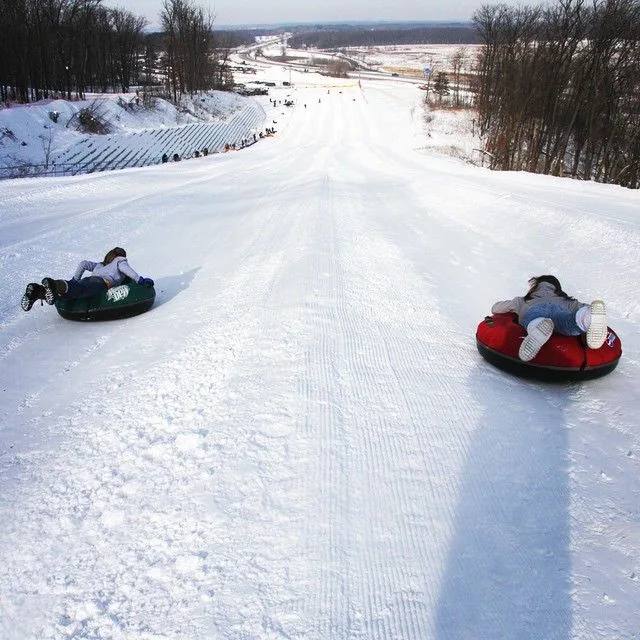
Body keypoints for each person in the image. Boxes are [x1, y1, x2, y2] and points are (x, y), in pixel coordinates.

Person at [491, 275, 607, 361]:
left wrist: (513, 308)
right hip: (560, 309)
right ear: (557, 288)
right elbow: (586, 306)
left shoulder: (521, 301)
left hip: (533, 309)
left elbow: (496, 308)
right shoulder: (567, 301)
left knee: (533, 320)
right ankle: (586, 319)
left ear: (535, 287)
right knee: (570, 321)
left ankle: (539, 327)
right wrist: (588, 310)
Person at [21, 247, 154, 311]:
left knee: (73, 292)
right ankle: (53, 284)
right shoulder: (119, 261)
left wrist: (74, 279)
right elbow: (126, 269)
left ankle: (38, 291)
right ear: (119, 256)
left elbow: (83, 263)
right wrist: (140, 280)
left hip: (88, 280)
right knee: (77, 290)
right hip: (101, 283)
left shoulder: (100, 265)